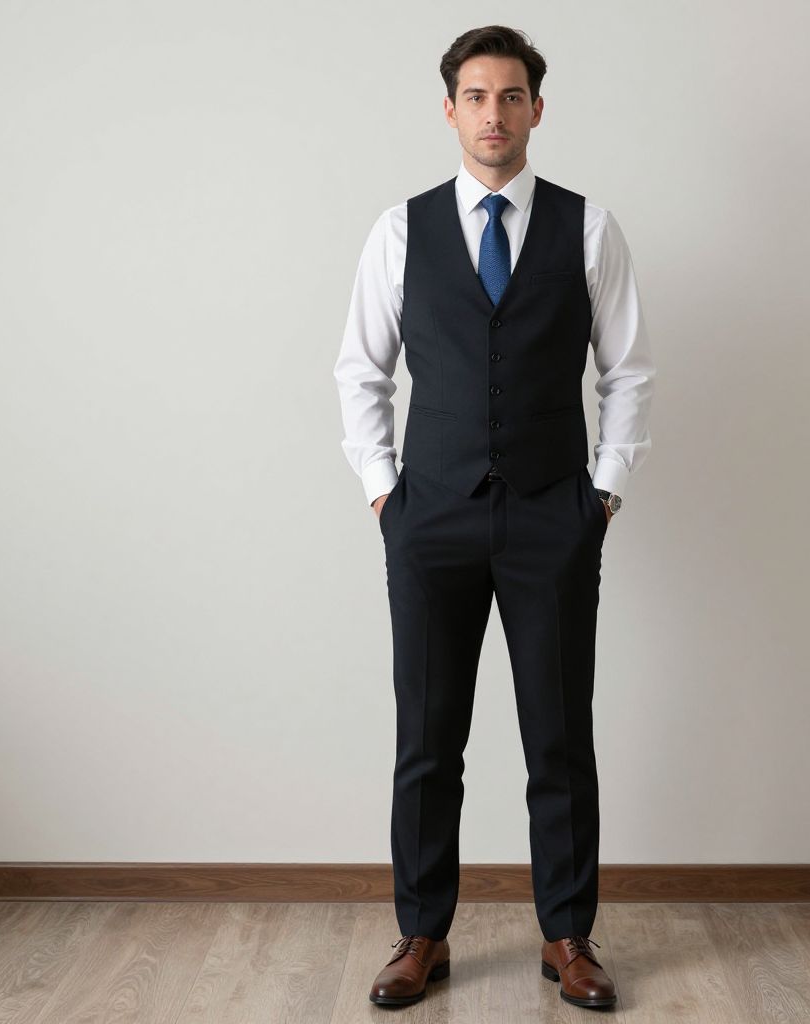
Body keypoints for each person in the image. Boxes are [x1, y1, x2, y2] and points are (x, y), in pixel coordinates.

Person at [333, 24, 656, 1010]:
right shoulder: (401, 229)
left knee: (557, 736)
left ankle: (567, 937)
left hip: (552, 517)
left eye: (511, 96)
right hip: (428, 519)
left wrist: (598, 495)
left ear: (536, 110)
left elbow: (628, 372)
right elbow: (360, 370)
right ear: (449, 109)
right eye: (475, 95)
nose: (493, 114)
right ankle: (420, 933)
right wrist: (386, 493)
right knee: (427, 738)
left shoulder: (588, 228)